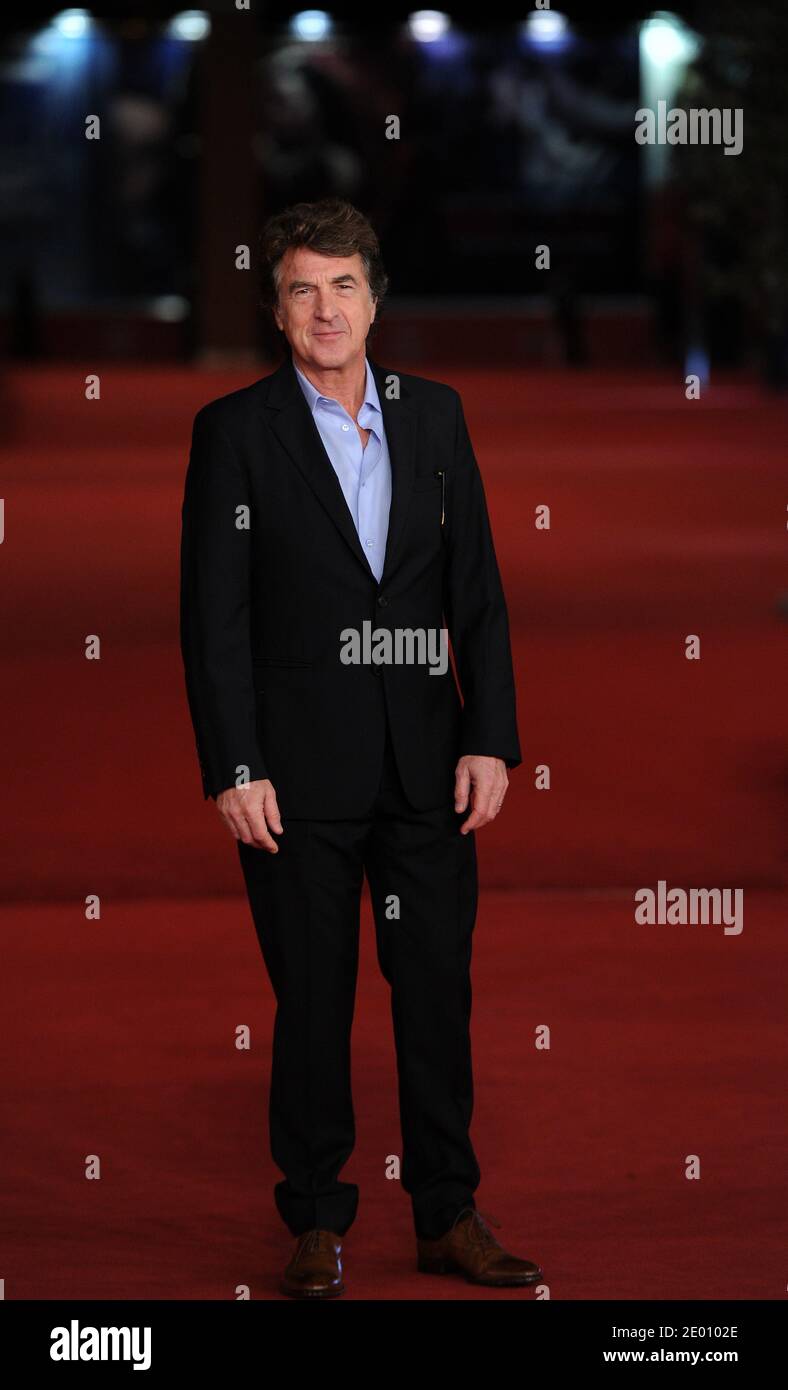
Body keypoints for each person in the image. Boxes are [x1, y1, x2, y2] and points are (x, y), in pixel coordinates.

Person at [179, 197, 543, 1298]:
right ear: (278, 309)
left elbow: (475, 589)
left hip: (427, 763)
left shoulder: (435, 417)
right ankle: (315, 1220)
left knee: (435, 989)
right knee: (313, 1000)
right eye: (302, 288)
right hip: (296, 776)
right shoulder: (236, 432)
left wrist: (490, 737)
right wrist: (235, 765)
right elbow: (214, 620)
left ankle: (447, 1212)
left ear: (374, 301)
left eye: (343, 286)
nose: (325, 308)